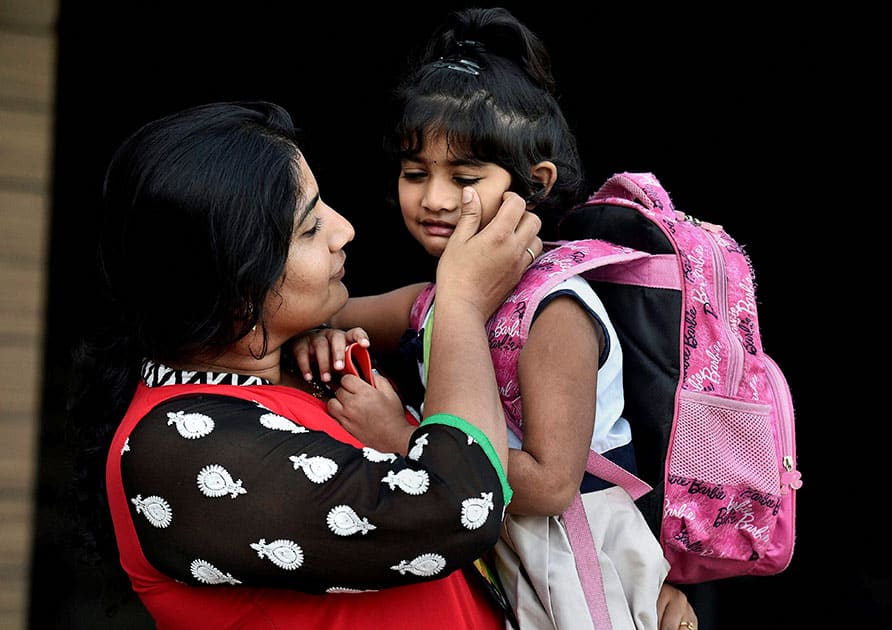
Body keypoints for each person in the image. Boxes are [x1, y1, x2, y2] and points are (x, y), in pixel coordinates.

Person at [289, 8, 698, 630]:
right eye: (414, 173)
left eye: (466, 176)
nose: (434, 198)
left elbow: (553, 484)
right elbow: (311, 310)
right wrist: (329, 334)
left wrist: (400, 440)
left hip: (574, 551)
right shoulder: (429, 300)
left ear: (533, 184)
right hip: (499, 542)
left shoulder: (553, 312)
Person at [65, 100, 543, 629]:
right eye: (311, 227)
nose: (344, 230)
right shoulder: (175, 445)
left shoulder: (299, 371)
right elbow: (458, 509)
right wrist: (461, 305)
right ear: (235, 283)